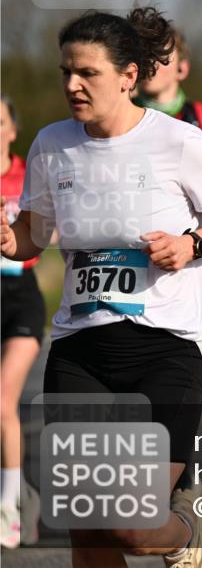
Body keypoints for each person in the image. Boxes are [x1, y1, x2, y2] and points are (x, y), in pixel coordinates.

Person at [2, 7, 202, 568]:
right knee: (86, 526)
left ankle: (187, 532)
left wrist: (192, 245)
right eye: (66, 71)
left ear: (128, 76)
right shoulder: (52, 144)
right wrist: (7, 237)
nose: (72, 84)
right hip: (80, 348)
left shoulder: (178, 141)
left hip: (164, 348)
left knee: (130, 526)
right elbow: (33, 236)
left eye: (87, 73)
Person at [0, 95, 43, 549]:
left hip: (20, 299)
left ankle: (8, 508)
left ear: (12, 130)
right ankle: (26, 495)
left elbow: (46, 236)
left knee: (2, 401)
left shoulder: (27, 177)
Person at [133, 28, 202, 161]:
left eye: (161, 57)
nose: (150, 64)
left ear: (182, 69)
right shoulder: (122, 112)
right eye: (145, 55)